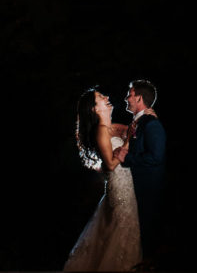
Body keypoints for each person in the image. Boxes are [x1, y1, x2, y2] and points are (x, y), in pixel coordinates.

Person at [64, 87, 142, 271]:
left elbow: (134, 130)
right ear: (94, 109)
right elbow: (110, 164)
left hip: (129, 186)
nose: (106, 97)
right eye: (100, 97)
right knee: (123, 230)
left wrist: (143, 116)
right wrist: (129, 140)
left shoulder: (113, 127)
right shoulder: (101, 131)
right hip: (120, 190)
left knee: (127, 231)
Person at [116, 80, 166, 266]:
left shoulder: (151, 124)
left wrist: (126, 158)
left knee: (148, 236)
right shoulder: (138, 123)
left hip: (148, 189)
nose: (126, 98)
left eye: (129, 94)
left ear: (138, 98)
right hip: (134, 188)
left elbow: (156, 157)